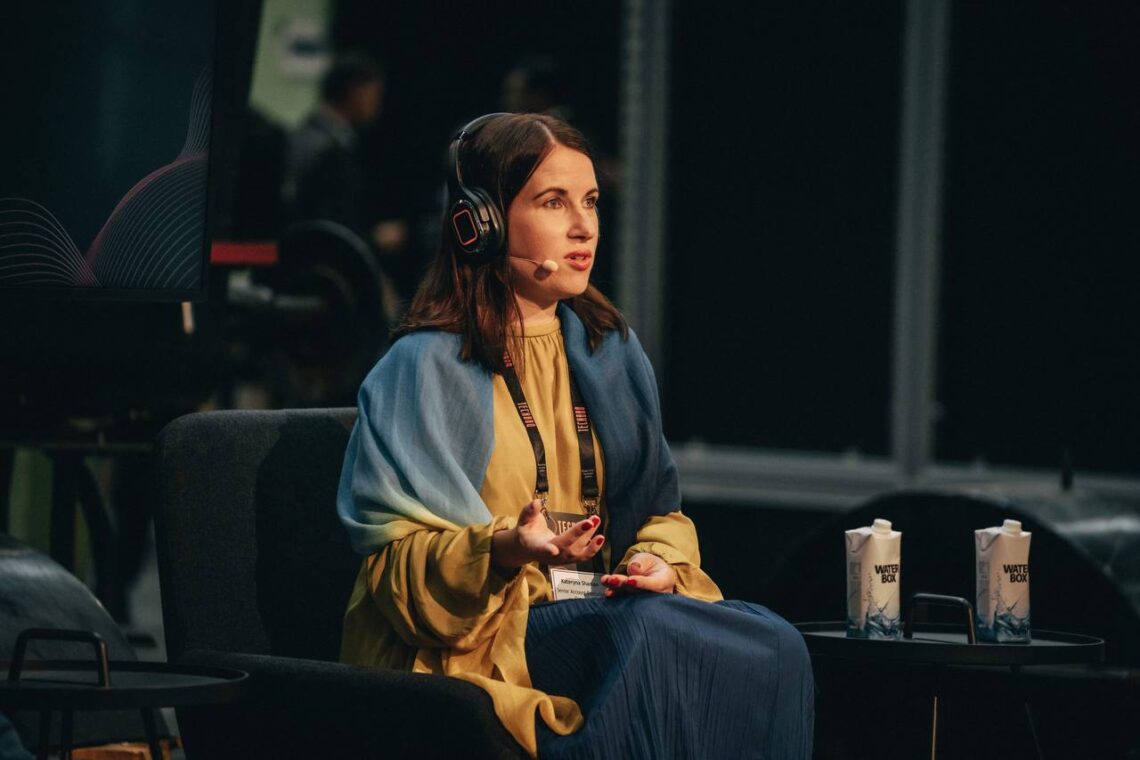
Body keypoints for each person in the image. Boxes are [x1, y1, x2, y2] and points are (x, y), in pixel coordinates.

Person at [337, 112, 813, 759]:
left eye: (590, 201)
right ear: (481, 221)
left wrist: (656, 562)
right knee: (646, 641)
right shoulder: (423, 367)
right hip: (474, 640)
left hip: (599, 615)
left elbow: (660, 510)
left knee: (774, 643)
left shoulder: (609, 350)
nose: (584, 226)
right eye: (553, 202)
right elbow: (396, 573)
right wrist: (503, 548)